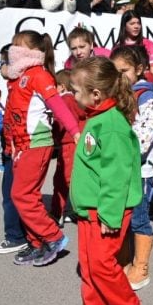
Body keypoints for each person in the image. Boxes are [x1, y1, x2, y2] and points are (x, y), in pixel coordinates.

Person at [3, 30, 81, 266]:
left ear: (32, 50)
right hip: (21, 145)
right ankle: (36, 242)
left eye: (19, 45)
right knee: (27, 196)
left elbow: (58, 106)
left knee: (21, 195)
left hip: (37, 143)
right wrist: (10, 145)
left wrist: (75, 131)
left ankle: (53, 236)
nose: (13, 49)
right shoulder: (17, 78)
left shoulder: (39, 75)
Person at [69, 57, 142, 305]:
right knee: (90, 269)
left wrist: (110, 216)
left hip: (105, 212)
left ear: (96, 94)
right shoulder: (97, 118)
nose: (73, 96)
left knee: (102, 267)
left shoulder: (111, 124)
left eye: (76, 91)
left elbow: (117, 176)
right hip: (89, 210)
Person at [110, 45, 153, 290]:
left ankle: (141, 266)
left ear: (139, 69)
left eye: (125, 70)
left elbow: (143, 137)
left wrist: (118, 153)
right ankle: (123, 260)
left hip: (139, 170)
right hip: (120, 168)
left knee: (139, 218)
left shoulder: (146, 97)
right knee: (122, 218)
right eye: (115, 71)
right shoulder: (118, 95)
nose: (120, 76)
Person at [0, 44, 28, 255]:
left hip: (17, 149)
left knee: (12, 195)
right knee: (14, 194)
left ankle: (16, 236)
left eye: (2, 63)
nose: (0, 68)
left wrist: (16, 146)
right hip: (12, 148)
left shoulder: (20, 88)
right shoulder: (13, 87)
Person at [50, 70, 86, 228]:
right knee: (76, 179)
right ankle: (77, 210)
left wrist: (53, 135)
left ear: (62, 86)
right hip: (77, 142)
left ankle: (57, 213)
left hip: (68, 144)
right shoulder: (76, 99)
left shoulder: (64, 101)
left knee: (62, 180)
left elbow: (60, 122)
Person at [113, 10, 153, 80]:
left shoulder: (149, 44)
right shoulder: (117, 47)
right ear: (124, 26)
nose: (136, 26)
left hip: (144, 86)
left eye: (138, 23)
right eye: (132, 23)